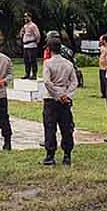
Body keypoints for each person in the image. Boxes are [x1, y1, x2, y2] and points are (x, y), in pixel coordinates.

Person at [40, 36, 77, 166]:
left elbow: (47, 82)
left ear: (49, 49)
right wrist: (66, 94)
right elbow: (74, 82)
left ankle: (50, 155)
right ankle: (67, 154)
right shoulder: (68, 64)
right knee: (66, 127)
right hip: (65, 99)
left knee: (50, 127)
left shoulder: (48, 63)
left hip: (51, 98)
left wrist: (57, 94)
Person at [19, 13, 42, 80]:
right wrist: (21, 33)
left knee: (32, 60)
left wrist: (36, 42)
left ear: (30, 17)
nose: (25, 18)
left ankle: (34, 74)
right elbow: (22, 35)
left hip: (32, 45)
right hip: (25, 45)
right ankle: (27, 73)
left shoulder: (33, 26)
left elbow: (38, 35)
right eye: (24, 17)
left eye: (27, 17)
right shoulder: (25, 26)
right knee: (26, 60)